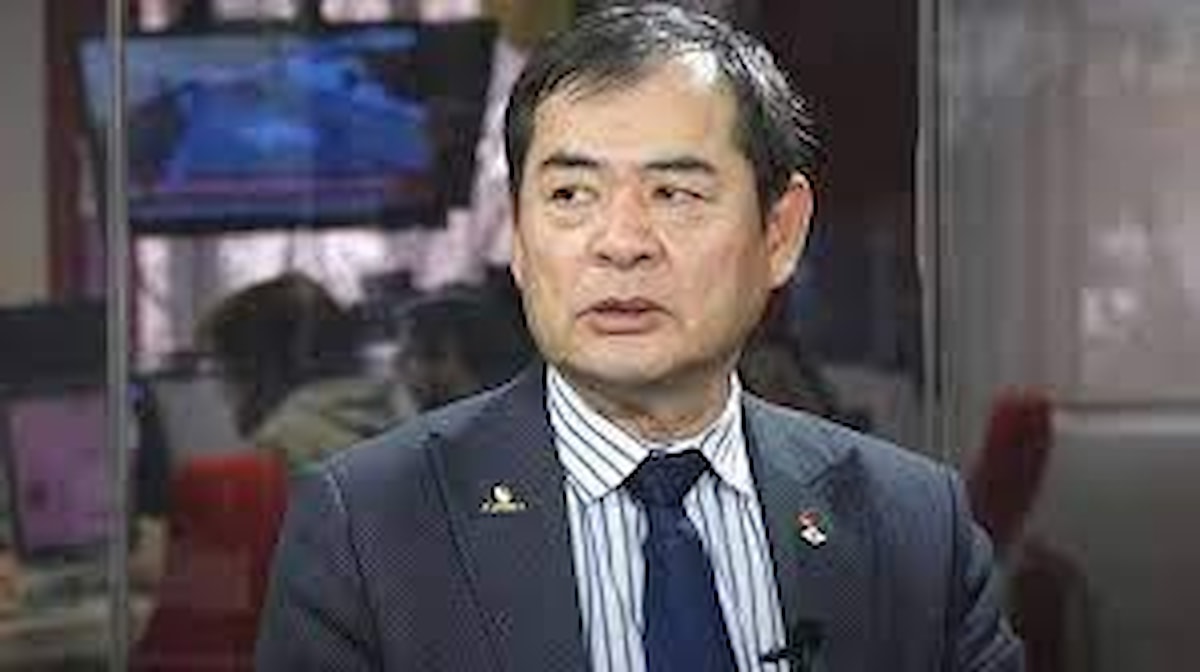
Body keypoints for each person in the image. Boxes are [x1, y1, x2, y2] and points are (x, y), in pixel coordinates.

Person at [256, 4, 1024, 671]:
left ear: (780, 233)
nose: (621, 243)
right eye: (570, 194)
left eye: (674, 192)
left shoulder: (915, 529)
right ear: (518, 235)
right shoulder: (369, 530)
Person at [198, 272, 413, 473]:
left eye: (223, 370)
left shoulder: (282, 445)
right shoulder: (400, 411)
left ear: (252, 368)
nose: (221, 392)